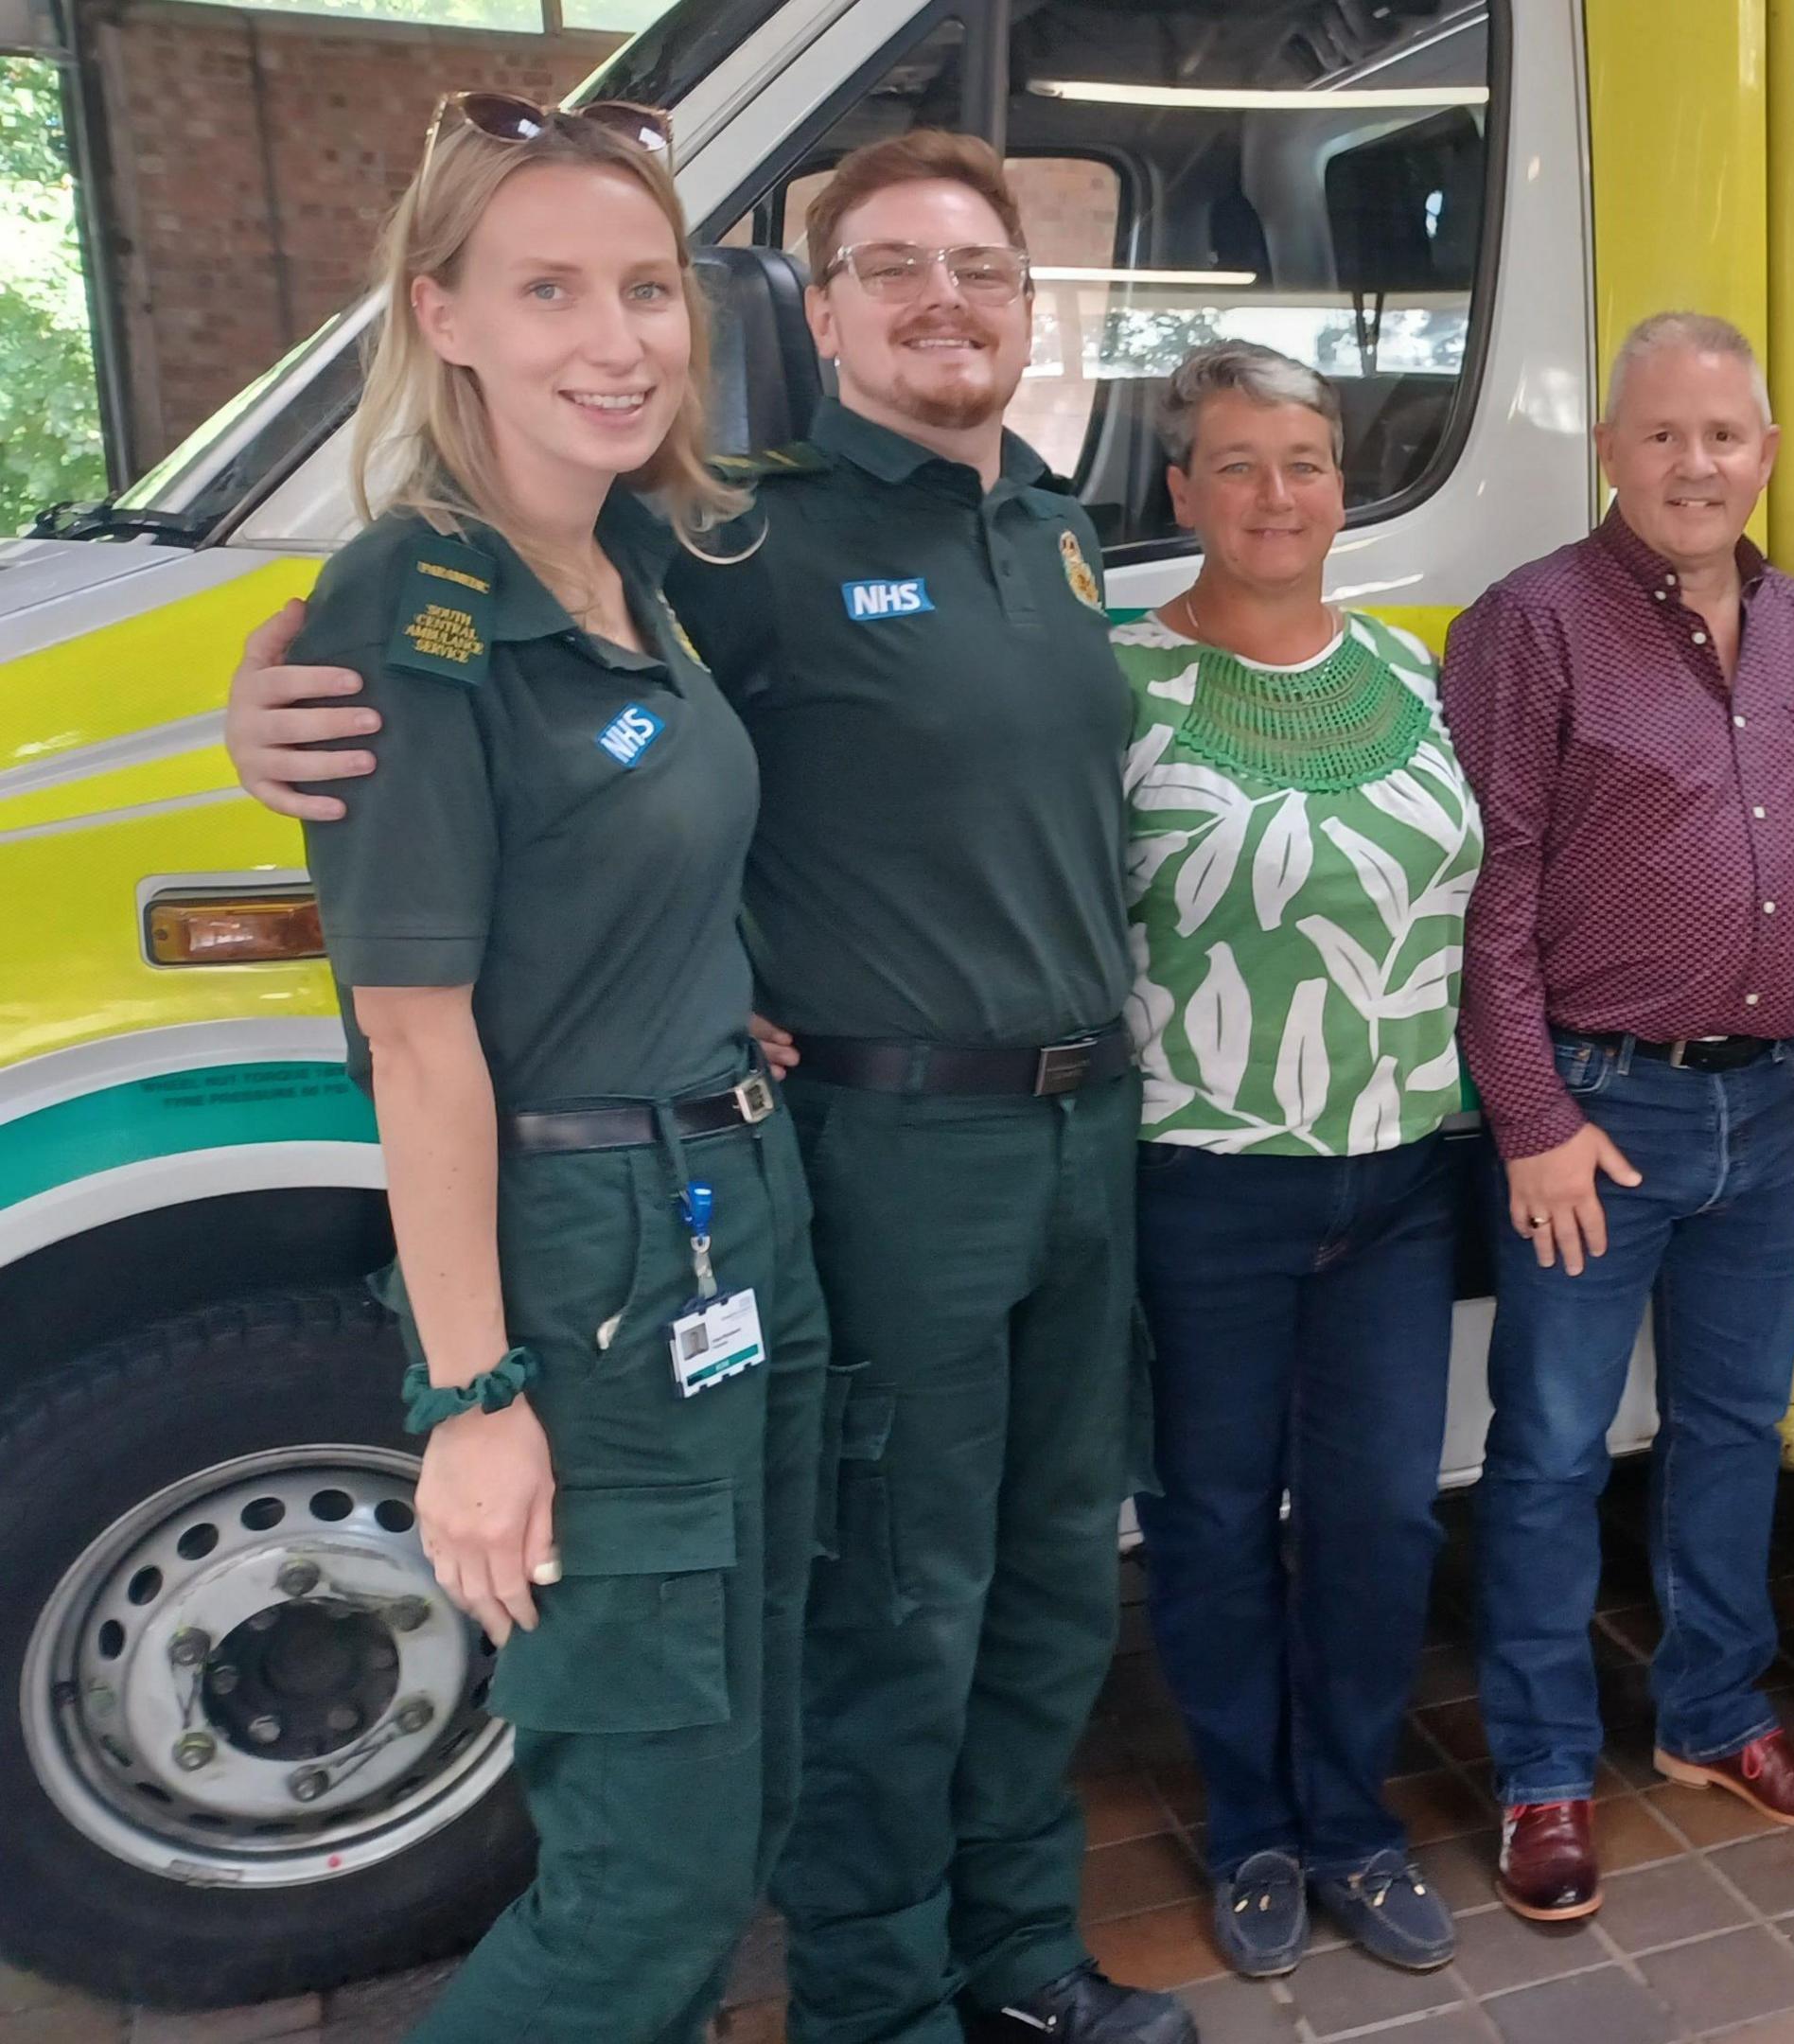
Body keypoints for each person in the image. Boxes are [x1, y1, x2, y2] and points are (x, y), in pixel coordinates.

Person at [227, 130, 1187, 2044]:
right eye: (890, 268)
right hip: (868, 1152)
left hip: (1068, 1131)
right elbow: (444, 659)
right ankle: (880, 1998)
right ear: (814, 316)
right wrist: (265, 689)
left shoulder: (1055, 528)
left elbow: (650, 773)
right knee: (897, 1617)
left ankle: (1016, 1959)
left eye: (982, 270)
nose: (944, 303)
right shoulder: (742, 532)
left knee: (1045, 1581)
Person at [287, 93, 828, 2041]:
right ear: (442, 315)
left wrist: (713, 991)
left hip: (725, 1214)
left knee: (730, 1804)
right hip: (589, 1284)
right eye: (547, 292)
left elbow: (615, 871)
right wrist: (473, 1399)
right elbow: (414, 1043)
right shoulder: (411, 610)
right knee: (643, 1885)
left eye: (644, 289)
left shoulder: (623, 570)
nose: (615, 341)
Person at [1442, 311, 1794, 1923]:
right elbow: (1485, 893)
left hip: (1773, 1114)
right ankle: (1546, 1773)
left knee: (1731, 1435)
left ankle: (1715, 1720)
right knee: (1552, 1453)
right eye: (1663, 437)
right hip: (1598, 1115)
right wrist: (1534, 1113)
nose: (1696, 465)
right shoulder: (1531, 626)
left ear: (1766, 454)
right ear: (1611, 454)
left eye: (1725, 437)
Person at [1117, 341, 1481, 1979]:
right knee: (1206, 1521)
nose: (1278, 494)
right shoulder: (1118, 683)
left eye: (1308, 461)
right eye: (1238, 464)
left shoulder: (1413, 672)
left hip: (1400, 1172)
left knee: (1381, 1519)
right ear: (1182, 492)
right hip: (1203, 1177)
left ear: (1345, 483)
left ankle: (1350, 1819)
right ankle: (1253, 1821)